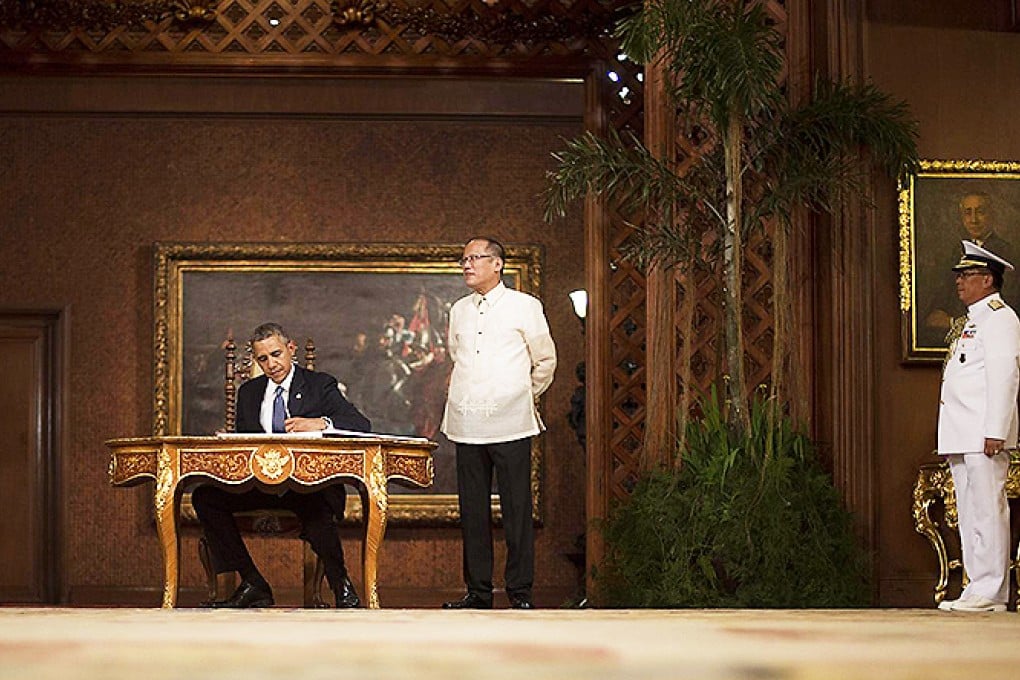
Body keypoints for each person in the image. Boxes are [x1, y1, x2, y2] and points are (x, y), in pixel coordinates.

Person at [193, 322, 371, 609]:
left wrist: (321, 423)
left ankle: (341, 585)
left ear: (291, 349)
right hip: (260, 484)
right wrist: (230, 441)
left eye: (276, 354)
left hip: (308, 484)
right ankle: (253, 583)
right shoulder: (249, 392)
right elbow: (246, 444)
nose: (271, 364)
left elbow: (360, 425)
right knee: (205, 496)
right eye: (263, 359)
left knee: (316, 506)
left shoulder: (319, 385)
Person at [440, 237, 557, 610]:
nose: (467, 265)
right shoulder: (458, 309)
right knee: (472, 512)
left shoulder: (525, 306)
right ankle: (478, 592)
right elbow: (456, 355)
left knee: (516, 510)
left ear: (497, 264)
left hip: (511, 422)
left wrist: (520, 396)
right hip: (466, 422)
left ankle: (520, 592)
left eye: (475, 258)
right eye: (463, 259)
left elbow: (545, 361)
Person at [936, 242, 1020, 613]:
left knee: (988, 510)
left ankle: (992, 591)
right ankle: (976, 587)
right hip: (962, 431)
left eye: (967, 275)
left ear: (987, 279)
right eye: (959, 275)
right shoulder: (973, 320)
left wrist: (996, 430)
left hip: (983, 433)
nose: (959, 281)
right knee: (969, 512)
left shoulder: (1000, 318)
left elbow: (1005, 376)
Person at [923, 192, 1015, 344]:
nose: (974, 220)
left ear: (992, 215)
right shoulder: (955, 253)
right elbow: (938, 308)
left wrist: (953, 322)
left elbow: (1004, 304)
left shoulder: (1006, 252)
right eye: (968, 213)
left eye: (980, 212)